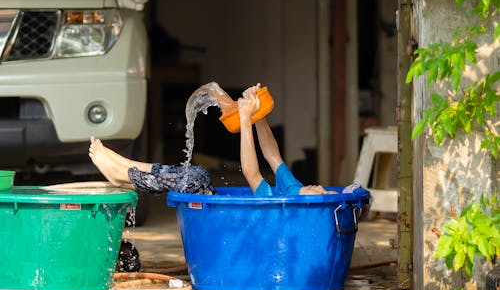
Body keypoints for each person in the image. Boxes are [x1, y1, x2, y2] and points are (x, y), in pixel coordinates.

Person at [237, 84, 338, 196]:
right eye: (325, 189)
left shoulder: (277, 205)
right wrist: (258, 113)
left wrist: (245, 117)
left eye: (323, 193)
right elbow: (273, 156)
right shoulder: (295, 188)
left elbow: (251, 174)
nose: (319, 187)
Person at [85, 136, 216, 195]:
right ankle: (127, 165)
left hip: (219, 215)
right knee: (198, 173)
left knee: (194, 180)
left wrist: (238, 110)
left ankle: (123, 174)